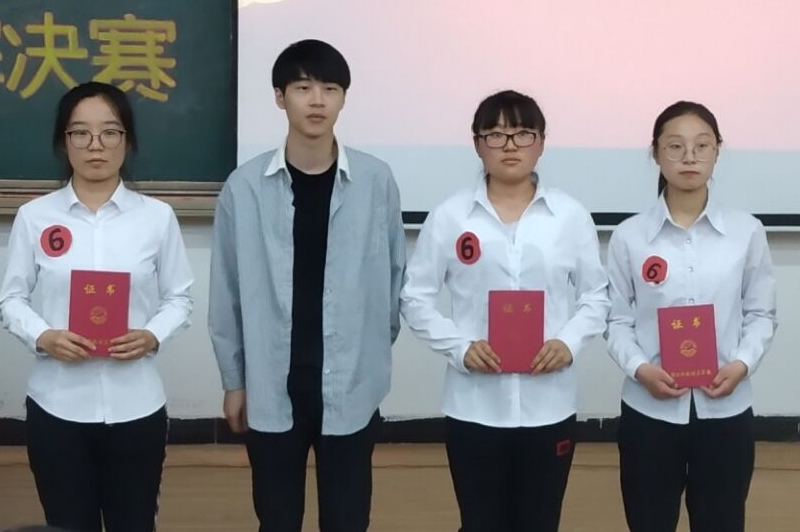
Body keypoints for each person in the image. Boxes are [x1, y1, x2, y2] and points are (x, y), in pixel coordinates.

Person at [208, 39, 405, 532]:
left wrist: (369, 358)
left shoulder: (376, 181)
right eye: (302, 88)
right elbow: (227, 294)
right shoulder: (245, 186)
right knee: (277, 518)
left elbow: (393, 279)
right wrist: (234, 381)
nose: (317, 100)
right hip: (272, 382)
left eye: (330, 88)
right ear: (280, 98)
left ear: (343, 98)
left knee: (347, 518)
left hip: (351, 383)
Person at [400, 90, 610, 532]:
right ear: (477, 144)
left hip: (549, 404)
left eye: (522, 133)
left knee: (540, 521)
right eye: (495, 135)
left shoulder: (569, 216)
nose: (510, 145)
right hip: (474, 405)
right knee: (480, 522)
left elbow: (596, 297)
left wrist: (568, 343)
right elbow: (415, 297)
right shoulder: (451, 216)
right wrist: (460, 347)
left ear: (542, 142)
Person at [0, 81, 194, 532]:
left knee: (134, 523)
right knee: (67, 524)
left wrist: (152, 336)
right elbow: (10, 298)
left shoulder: (156, 217)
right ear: (63, 141)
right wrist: (44, 336)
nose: (95, 145)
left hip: (136, 407)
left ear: (127, 140)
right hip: (56, 406)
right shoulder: (35, 217)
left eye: (110, 132)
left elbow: (180, 298)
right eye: (80, 132)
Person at [606, 101, 777, 532]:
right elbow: (616, 320)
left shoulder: (746, 231)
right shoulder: (629, 236)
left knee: (722, 521)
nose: (689, 157)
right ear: (655, 153)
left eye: (702, 146)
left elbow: (761, 313)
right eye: (675, 146)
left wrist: (742, 364)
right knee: (648, 521)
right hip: (649, 410)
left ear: (717, 150)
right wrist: (640, 369)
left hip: (726, 409)